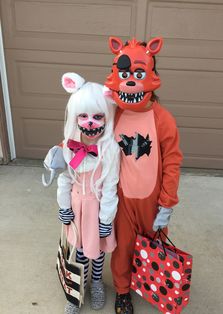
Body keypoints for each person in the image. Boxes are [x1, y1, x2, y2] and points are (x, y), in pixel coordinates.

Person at [104, 36, 183, 314]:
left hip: (152, 199)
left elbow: (173, 161)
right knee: (123, 245)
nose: (131, 81)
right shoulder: (112, 114)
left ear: (151, 74)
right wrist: (64, 149)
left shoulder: (163, 119)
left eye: (138, 73)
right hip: (122, 197)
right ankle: (123, 290)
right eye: (124, 74)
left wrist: (167, 200)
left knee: (153, 244)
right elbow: (87, 135)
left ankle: (150, 281)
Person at [46, 72, 120, 314]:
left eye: (98, 116)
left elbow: (111, 186)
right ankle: (78, 286)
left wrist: (106, 219)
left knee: (97, 250)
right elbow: (64, 181)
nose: (90, 123)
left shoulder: (110, 149)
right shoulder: (68, 146)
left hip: (98, 208)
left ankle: (97, 282)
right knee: (79, 250)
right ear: (75, 118)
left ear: (107, 117)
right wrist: (64, 208)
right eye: (84, 116)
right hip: (78, 208)